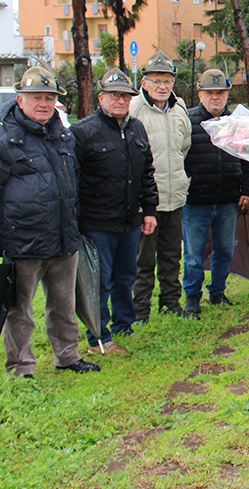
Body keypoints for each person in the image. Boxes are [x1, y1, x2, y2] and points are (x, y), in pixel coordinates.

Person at [0, 67, 100, 377]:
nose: (43, 103)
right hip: (21, 241)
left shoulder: (64, 136)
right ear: (20, 100)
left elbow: (74, 183)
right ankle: (20, 366)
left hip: (62, 240)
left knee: (63, 307)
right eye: (36, 98)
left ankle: (67, 356)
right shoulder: (1, 140)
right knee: (19, 311)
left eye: (49, 98)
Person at [71, 68, 159, 355]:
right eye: (115, 96)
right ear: (102, 98)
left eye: (126, 96)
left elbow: (146, 173)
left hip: (130, 222)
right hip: (97, 223)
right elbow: (73, 180)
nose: (121, 101)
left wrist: (149, 210)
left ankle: (124, 325)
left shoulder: (136, 129)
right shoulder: (83, 132)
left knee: (126, 276)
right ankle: (99, 337)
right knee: (100, 282)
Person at [182, 69, 249, 315]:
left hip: (227, 199)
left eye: (220, 93)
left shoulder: (235, 122)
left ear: (227, 95)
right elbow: (178, 157)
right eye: (210, 93)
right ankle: (192, 296)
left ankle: (218, 291)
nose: (216, 97)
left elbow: (247, 157)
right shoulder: (188, 120)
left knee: (224, 250)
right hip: (196, 200)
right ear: (200, 94)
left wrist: (248, 190)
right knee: (194, 253)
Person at [129, 51, 194, 322]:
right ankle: (139, 310)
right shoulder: (134, 110)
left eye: (167, 80)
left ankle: (170, 303)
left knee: (171, 255)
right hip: (147, 201)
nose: (162, 86)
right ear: (144, 82)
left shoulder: (179, 110)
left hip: (175, 196)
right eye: (156, 80)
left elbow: (184, 147)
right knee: (143, 260)